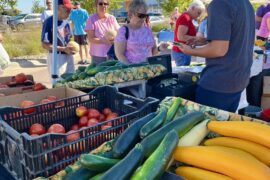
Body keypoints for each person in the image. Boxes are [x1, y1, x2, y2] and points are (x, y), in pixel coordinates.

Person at [177, 0, 255, 112]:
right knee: (224, 127)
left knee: (208, 127)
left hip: (219, 82)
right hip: (238, 80)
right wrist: (206, 41)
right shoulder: (246, 4)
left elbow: (218, 50)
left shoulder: (220, 3)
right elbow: (235, 39)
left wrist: (190, 51)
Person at [114, 0, 169, 64]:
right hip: (131, 70)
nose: (143, 19)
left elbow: (153, 51)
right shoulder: (123, 31)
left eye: (145, 16)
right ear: (131, 14)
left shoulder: (148, 30)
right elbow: (119, 54)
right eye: (140, 15)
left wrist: (160, 48)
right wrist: (131, 68)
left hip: (148, 69)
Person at [41, 0, 75, 82]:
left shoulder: (66, 22)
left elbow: (68, 39)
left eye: (70, 10)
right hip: (57, 57)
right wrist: (62, 49)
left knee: (72, 82)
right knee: (59, 84)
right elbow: (44, 45)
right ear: (59, 8)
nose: (69, 12)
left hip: (68, 56)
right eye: (67, 10)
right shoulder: (49, 22)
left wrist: (71, 48)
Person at [85, 0, 120, 65]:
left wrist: (115, 39)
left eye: (105, 4)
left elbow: (119, 33)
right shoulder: (91, 19)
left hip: (113, 53)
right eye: (100, 4)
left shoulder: (112, 18)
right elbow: (91, 39)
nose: (103, 5)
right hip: (98, 55)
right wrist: (103, 41)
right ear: (96, 5)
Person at [171, 0, 205, 66]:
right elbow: (181, 37)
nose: (198, 16)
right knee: (184, 75)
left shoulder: (187, 17)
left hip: (182, 51)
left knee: (184, 74)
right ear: (192, 8)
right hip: (181, 52)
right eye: (198, 13)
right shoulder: (185, 17)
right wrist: (197, 38)